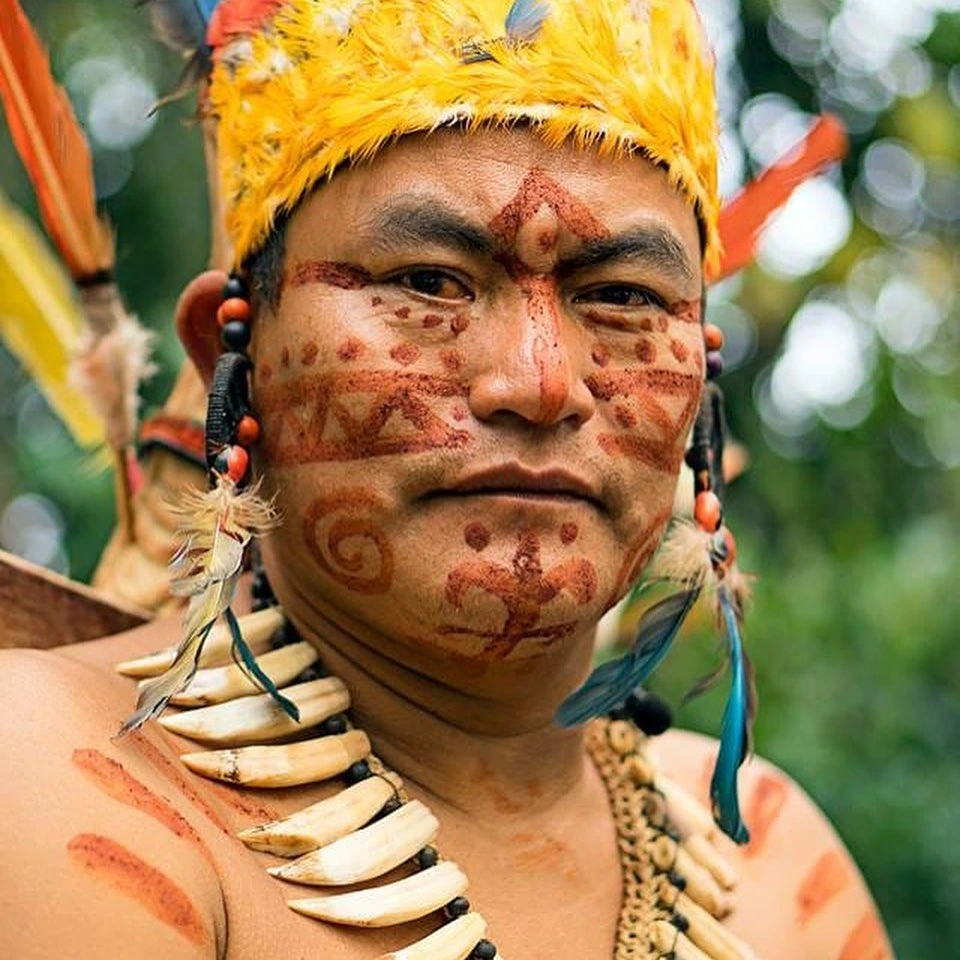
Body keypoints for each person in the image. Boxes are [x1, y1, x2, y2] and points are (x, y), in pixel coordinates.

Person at [0, 2, 892, 958]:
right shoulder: (50, 778)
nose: (541, 384)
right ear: (234, 352)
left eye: (623, 296)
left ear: (703, 385)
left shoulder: (776, 871)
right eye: (429, 282)